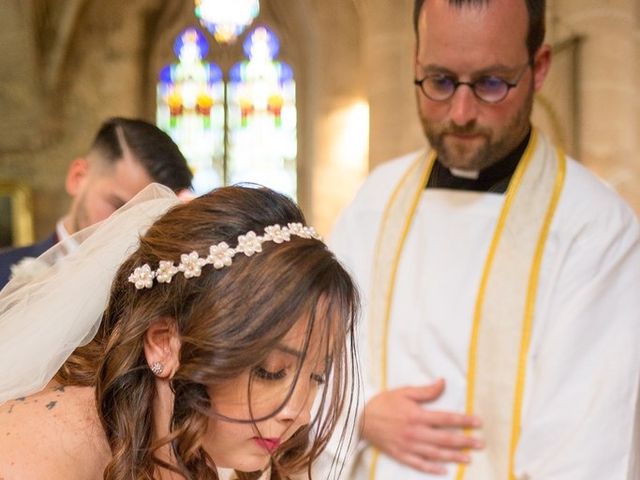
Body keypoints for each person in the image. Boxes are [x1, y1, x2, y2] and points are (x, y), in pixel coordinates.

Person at [322, 0, 640, 479]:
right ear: (415, 63)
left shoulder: (594, 229)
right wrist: (359, 414)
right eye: (441, 81)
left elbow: (587, 448)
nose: (462, 112)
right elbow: (307, 368)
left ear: (539, 67)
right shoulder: (375, 202)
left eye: (491, 83)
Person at [0, 184, 359, 480]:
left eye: (317, 376)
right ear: (163, 344)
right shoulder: (32, 457)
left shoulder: (196, 444)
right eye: (271, 371)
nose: (300, 414)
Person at [0, 116, 193, 288]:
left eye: (147, 219)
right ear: (78, 177)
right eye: (119, 206)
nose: (128, 228)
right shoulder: (4, 272)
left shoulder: (156, 293)